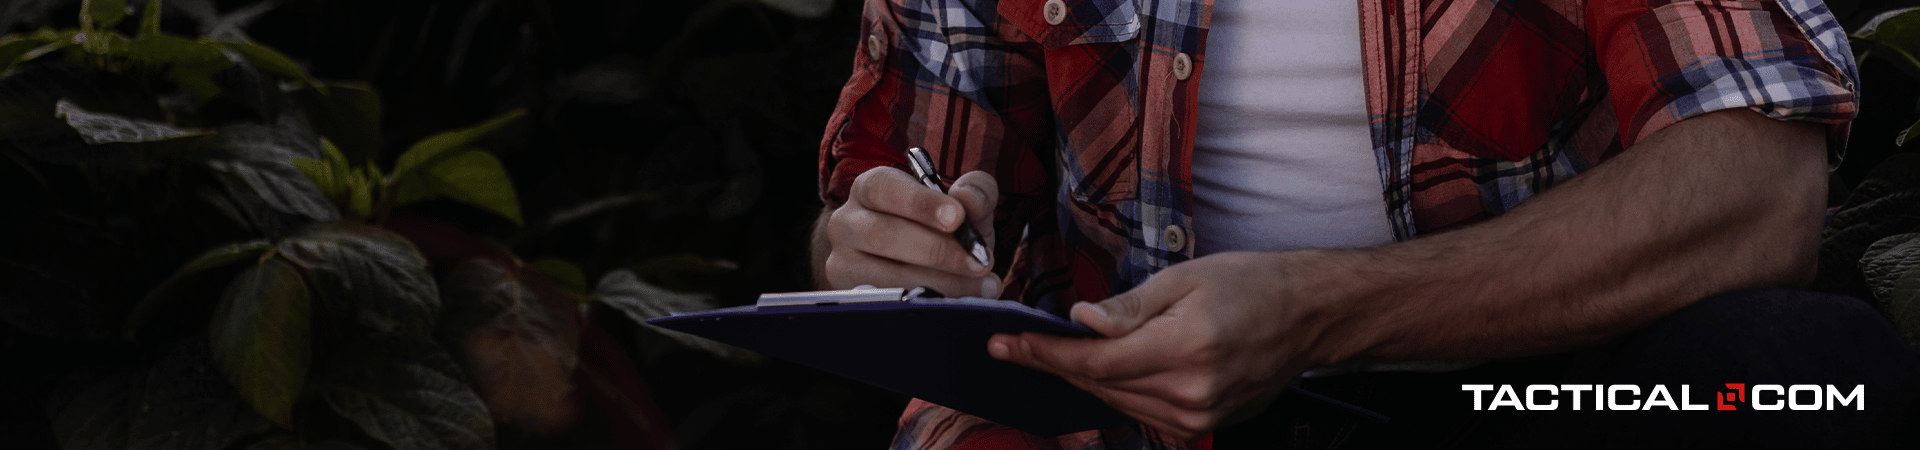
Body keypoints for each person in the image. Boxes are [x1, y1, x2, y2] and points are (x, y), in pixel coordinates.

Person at [810, 0, 1920, 448]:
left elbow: (1759, 194)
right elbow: (882, 200)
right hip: (1140, 412)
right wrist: (874, 244)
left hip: (1535, 393)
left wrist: (1315, 311)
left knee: (1806, 376)